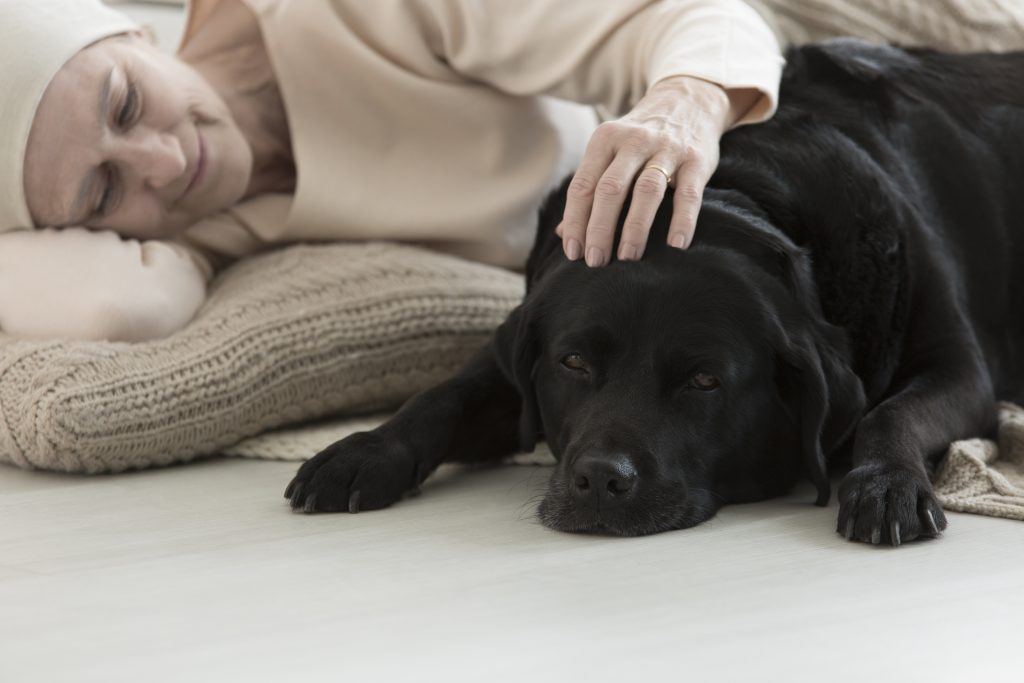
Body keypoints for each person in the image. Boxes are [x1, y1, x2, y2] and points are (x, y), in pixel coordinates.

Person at [0, 0, 783, 341]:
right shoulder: (192, 228)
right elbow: (114, 309)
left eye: (128, 103)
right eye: (102, 189)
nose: (165, 166)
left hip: (715, 125)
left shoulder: (353, 11)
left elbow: (691, 19)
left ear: (138, 32)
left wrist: (683, 101)